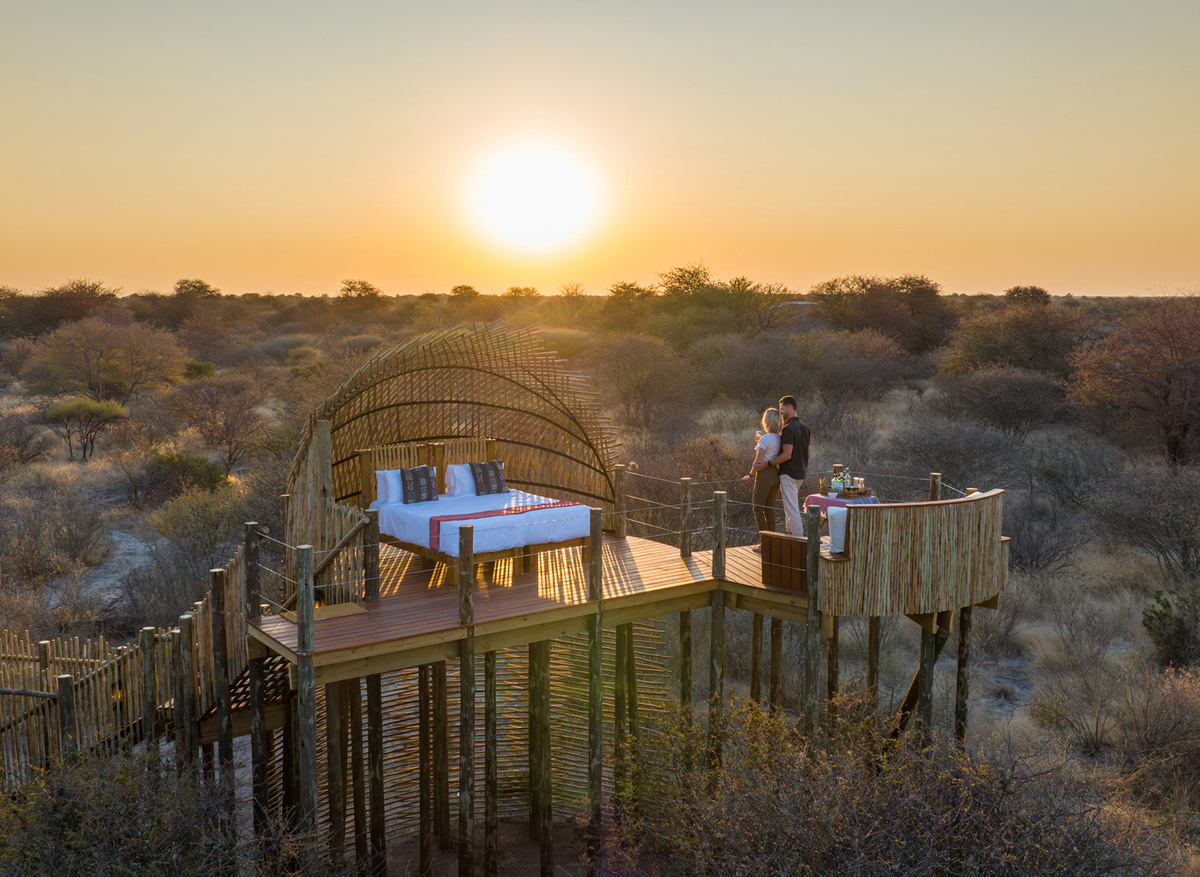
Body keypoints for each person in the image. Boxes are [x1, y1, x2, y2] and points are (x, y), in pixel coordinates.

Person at [755, 395, 810, 536]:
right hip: (800, 473)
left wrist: (768, 463)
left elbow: (787, 455)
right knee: (790, 507)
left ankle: (798, 541)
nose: (781, 413)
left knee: (792, 509)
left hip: (788, 473)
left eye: (782, 409)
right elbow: (808, 454)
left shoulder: (788, 429)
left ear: (790, 407)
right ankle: (790, 537)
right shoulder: (804, 428)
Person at [741, 408, 782, 551]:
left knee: (758, 508)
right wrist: (760, 443)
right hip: (775, 474)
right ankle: (772, 540)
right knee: (769, 508)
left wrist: (750, 475)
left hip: (764, 475)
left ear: (767, 421)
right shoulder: (779, 437)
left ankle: (764, 543)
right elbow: (770, 451)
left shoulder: (765, 439)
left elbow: (758, 462)